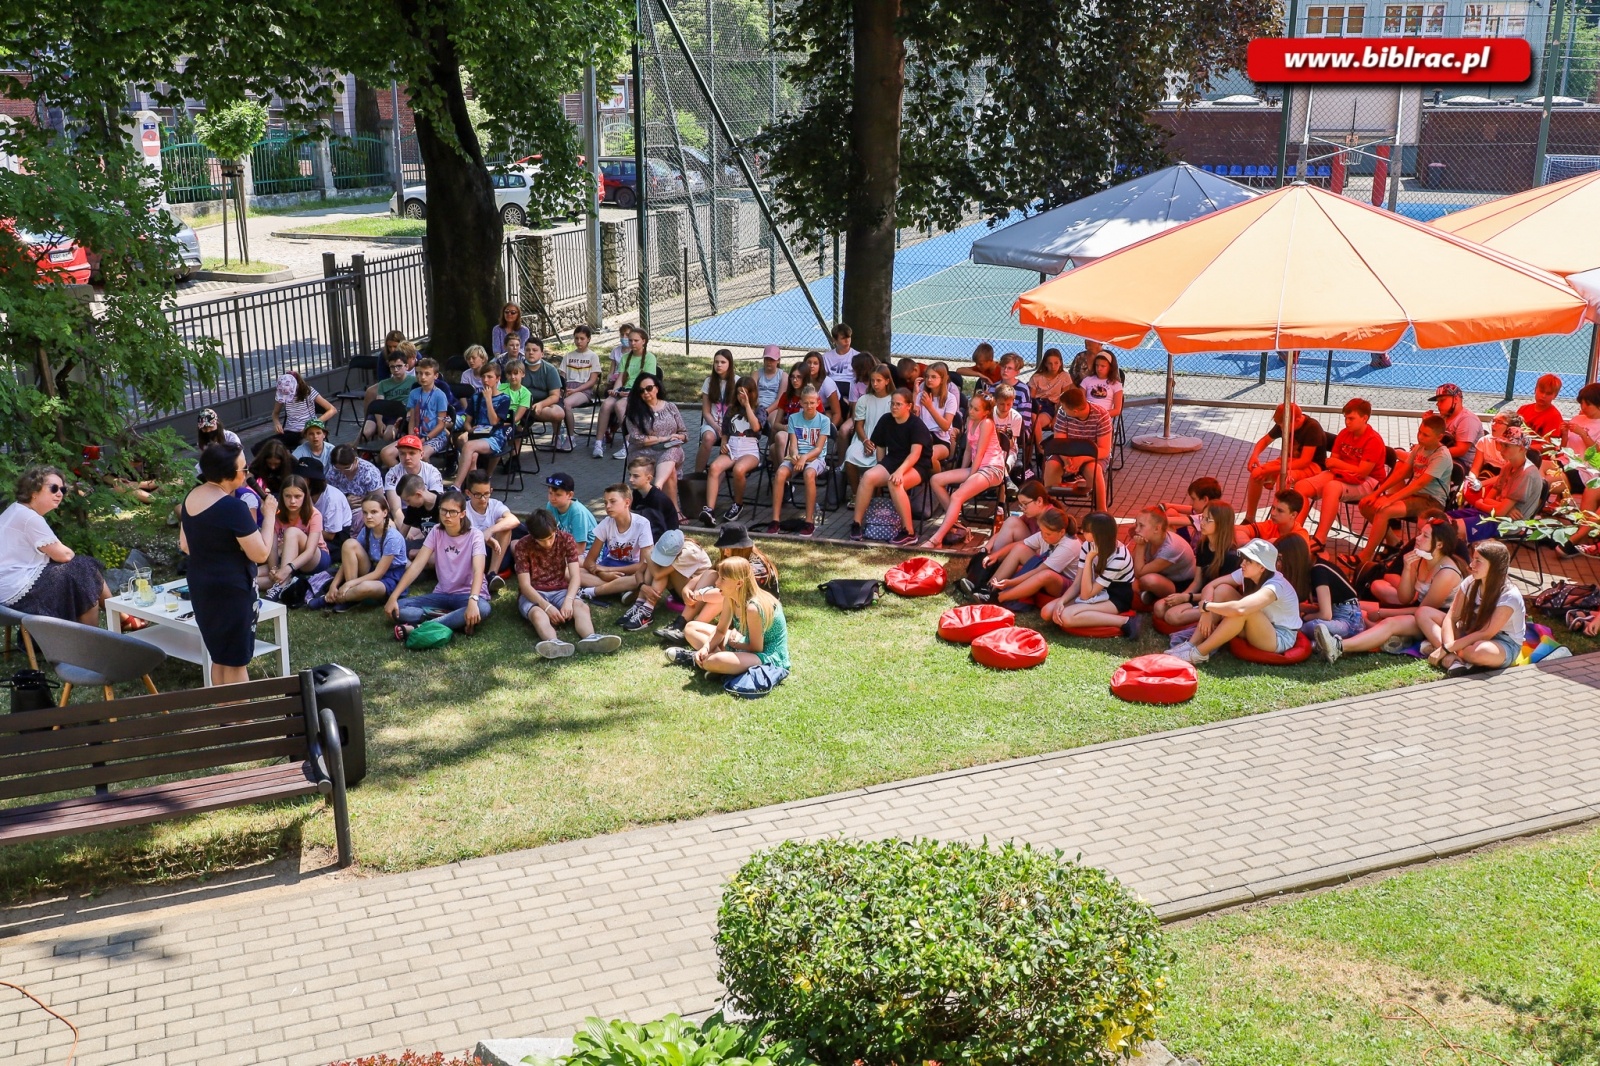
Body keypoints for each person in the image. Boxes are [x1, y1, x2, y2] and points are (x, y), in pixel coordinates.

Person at [179, 445, 275, 685]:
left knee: (219, 656)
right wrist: (270, 514)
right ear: (228, 474)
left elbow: (185, 544)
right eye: (244, 468)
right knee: (236, 660)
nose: (247, 473)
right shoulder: (234, 508)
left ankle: (225, 718)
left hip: (202, 586)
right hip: (232, 590)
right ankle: (242, 720)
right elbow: (261, 553)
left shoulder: (191, 496)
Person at [1314, 516, 1464, 661]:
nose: (1417, 538)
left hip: (1437, 620)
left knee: (1388, 623)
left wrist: (1382, 612)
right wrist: (1407, 568)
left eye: (1425, 536)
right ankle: (1396, 639)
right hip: (1418, 611)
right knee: (1356, 606)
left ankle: (1338, 646)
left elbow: (1423, 611)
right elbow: (1404, 598)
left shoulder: (1446, 573)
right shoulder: (1421, 559)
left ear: (1439, 545)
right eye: (1420, 533)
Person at [0, 466, 112, 625]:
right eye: (53, 488)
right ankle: (98, 635)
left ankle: (115, 620)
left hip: (9, 590)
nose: (59, 493)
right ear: (34, 491)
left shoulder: (17, 510)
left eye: (63, 490)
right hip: (16, 594)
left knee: (83, 575)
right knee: (84, 571)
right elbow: (64, 555)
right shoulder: (29, 518)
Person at [1167, 537, 1303, 664]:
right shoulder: (1248, 573)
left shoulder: (1275, 586)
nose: (1242, 564)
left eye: (1248, 561)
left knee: (1243, 611)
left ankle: (1199, 653)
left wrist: (1208, 606)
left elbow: (1241, 608)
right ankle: (1192, 643)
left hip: (1279, 636)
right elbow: (1211, 586)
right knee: (1223, 589)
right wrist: (1206, 613)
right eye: (1243, 559)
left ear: (1262, 567)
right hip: (1260, 624)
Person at [514, 508, 622, 657]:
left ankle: (591, 638)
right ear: (532, 536)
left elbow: (575, 576)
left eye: (551, 537)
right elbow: (525, 585)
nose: (548, 543)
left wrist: (569, 600)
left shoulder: (566, 539)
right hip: (534, 592)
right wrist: (546, 607)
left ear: (556, 529)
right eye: (542, 540)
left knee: (581, 607)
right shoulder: (522, 545)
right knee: (538, 615)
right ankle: (554, 643)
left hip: (560, 589)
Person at [386, 489, 490, 639]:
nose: (447, 516)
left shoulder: (475, 535)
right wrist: (393, 597)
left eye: (452, 512)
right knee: (399, 608)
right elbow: (417, 566)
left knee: (483, 608)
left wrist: (473, 601)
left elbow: (478, 571)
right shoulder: (436, 531)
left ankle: (420, 626)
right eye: (443, 511)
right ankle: (456, 620)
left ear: (462, 514)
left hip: (468, 595)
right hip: (442, 593)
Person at [665, 556, 789, 677]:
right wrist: (706, 648)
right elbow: (720, 630)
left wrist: (735, 644)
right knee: (691, 628)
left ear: (739, 583)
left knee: (714, 661)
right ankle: (715, 664)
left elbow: (757, 648)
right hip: (744, 642)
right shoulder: (730, 597)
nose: (717, 583)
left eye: (723, 579)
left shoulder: (753, 608)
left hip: (766, 655)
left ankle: (702, 661)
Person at [1356, 413, 1453, 567]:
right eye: (1420, 432)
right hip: (1414, 495)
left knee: (1384, 510)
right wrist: (1376, 494)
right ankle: (1393, 543)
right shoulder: (1420, 447)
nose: (1420, 437)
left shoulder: (1442, 456)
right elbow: (1402, 472)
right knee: (1366, 505)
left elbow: (1419, 484)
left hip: (1431, 501)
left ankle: (1364, 557)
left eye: (1426, 435)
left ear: (1439, 437)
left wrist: (1390, 499)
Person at [1418, 540, 1523, 674]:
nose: (1471, 565)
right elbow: (1452, 617)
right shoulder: (1471, 582)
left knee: (1479, 652)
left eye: (1478, 561)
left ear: (1495, 566)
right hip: (1471, 631)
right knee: (1423, 613)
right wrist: (1448, 647)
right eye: (1473, 559)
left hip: (1502, 642)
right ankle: (1453, 659)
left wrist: (1447, 647)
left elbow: (1486, 633)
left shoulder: (1510, 595)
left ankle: (1439, 649)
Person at [1294, 398, 1385, 548]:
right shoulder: (1344, 433)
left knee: (1332, 487)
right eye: (1345, 418)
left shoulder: (1373, 440)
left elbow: (1362, 472)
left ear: (1364, 418)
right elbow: (1331, 462)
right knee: (1301, 486)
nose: (1347, 422)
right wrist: (1342, 466)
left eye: (1351, 418)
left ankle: (1320, 538)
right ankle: (1297, 532)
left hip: (1369, 481)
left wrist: (1339, 465)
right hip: (1341, 474)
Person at [923, 392, 1005, 548]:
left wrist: (969, 478)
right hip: (978, 467)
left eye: (975, 409)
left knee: (957, 495)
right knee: (936, 480)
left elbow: (980, 453)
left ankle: (936, 539)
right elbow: (968, 451)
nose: (971, 411)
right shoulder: (970, 420)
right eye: (970, 407)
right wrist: (961, 473)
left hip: (992, 468)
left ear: (986, 412)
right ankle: (956, 524)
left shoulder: (986, 423)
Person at [851, 388, 931, 546]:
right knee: (868, 477)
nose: (894, 407)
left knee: (895, 483)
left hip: (917, 464)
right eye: (892, 404)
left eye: (898, 404)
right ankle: (857, 524)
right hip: (892, 460)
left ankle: (909, 532)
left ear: (909, 406)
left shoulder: (916, 425)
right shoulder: (886, 420)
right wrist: (881, 466)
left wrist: (900, 472)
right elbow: (880, 446)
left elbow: (915, 454)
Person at [1042, 511, 1139, 637]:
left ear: (1098, 534)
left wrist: (1089, 560)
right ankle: (1081, 612)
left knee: (1066, 616)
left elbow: (1085, 595)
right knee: (1046, 612)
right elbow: (1077, 583)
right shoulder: (1088, 545)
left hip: (1115, 597)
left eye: (1086, 530)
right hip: (1096, 589)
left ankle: (1125, 622)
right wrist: (1062, 601)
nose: (1082, 532)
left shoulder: (1119, 557)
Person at [954, 480, 1057, 595]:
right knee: (1012, 521)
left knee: (1017, 546)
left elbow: (1025, 543)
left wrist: (995, 555)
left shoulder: (1051, 517)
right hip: (1031, 550)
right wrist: (987, 546)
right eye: (1020, 505)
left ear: (1039, 501)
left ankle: (982, 580)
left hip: (1044, 560)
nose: (1022, 508)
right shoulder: (1033, 513)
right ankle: (979, 578)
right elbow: (1006, 530)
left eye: (1025, 504)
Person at [1153, 503, 1239, 632]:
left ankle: (1216, 618)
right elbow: (1197, 581)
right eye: (1201, 518)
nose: (1202, 523)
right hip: (1198, 596)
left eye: (1207, 520)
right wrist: (1181, 596)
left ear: (1221, 523)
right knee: (1159, 608)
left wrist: (1187, 598)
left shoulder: (1231, 556)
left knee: (1172, 616)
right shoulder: (1203, 546)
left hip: (1215, 601)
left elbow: (1221, 594)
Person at [1451, 427, 1544, 542]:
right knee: (1443, 519)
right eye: (1501, 444)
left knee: (1452, 528)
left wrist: (1480, 504)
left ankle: (1459, 557)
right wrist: (1503, 507)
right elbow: (1489, 499)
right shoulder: (1508, 466)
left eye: (1506, 446)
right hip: (1493, 513)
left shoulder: (1526, 474)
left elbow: (1497, 511)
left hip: (1507, 524)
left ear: (1520, 448)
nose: (1500, 449)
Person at [975, 508, 1080, 608]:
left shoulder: (1069, 545)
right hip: (1049, 570)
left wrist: (1011, 582)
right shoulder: (1046, 534)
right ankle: (988, 589)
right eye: (1042, 532)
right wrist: (996, 555)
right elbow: (1021, 543)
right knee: (1020, 548)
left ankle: (999, 597)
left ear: (1062, 532)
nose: (1043, 536)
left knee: (1046, 575)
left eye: (1047, 534)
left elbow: (1040, 571)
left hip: (1069, 585)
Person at [1241, 403, 1325, 524]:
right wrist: (1255, 455)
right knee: (1256, 474)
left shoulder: (1312, 427)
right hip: (1288, 461)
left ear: (1297, 420)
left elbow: (1304, 461)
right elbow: (1265, 440)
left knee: (1284, 477)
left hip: (1313, 466)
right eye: (1279, 426)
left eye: (1283, 426)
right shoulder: (1284, 423)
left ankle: (1277, 521)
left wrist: (1271, 470)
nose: (1281, 429)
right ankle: (1249, 518)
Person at [620, 527, 714, 632]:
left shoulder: (690, 552)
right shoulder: (662, 545)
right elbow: (639, 572)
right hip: (680, 588)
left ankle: (647, 612)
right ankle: (639, 604)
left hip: (694, 595)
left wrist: (647, 554)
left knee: (659, 568)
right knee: (656, 565)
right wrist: (642, 586)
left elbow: (658, 575)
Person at [324, 492, 407, 612]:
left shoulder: (392, 537)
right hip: (371, 570)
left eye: (374, 512)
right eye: (365, 512)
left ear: (384, 513)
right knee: (349, 544)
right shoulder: (366, 531)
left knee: (365, 587)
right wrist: (334, 585)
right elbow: (347, 559)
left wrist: (350, 584)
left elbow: (379, 574)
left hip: (390, 578)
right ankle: (347, 596)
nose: (368, 516)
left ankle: (328, 599)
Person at [768, 385, 830, 537]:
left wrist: (804, 458)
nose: (809, 406)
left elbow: (818, 448)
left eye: (812, 402)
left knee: (809, 473)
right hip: (798, 456)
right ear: (800, 403)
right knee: (781, 472)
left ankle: (809, 521)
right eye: (806, 403)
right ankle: (775, 520)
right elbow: (793, 445)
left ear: (818, 403)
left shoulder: (824, 421)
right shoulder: (794, 419)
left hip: (816, 457)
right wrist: (795, 455)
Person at [703, 375, 766, 525]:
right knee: (714, 467)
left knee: (739, 469)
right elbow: (725, 432)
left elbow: (756, 427)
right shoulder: (731, 410)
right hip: (732, 447)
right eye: (738, 392)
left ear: (752, 393)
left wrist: (747, 406)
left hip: (749, 449)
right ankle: (709, 510)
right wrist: (724, 443)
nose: (740, 396)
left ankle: (738, 504)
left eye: (744, 393)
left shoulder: (760, 410)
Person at [625, 373, 688, 515]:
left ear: (657, 388)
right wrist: (664, 438)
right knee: (670, 469)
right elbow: (637, 439)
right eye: (641, 391)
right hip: (643, 453)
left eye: (649, 388)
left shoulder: (671, 407)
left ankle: (656, 487)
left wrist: (678, 436)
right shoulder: (634, 411)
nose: (646, 393)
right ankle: (674, 511)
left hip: (670, 451)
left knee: (673, 450)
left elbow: (685, 434)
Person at [1041, 386, 1112, 511]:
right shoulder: (1063, 413)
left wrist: (1082, 459)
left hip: (1092, 455)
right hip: (1066, 452)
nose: (1061, 409)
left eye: (1063, 407)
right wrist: (1067, 460)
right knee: (1051, 465)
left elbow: (1104, 450)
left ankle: (1101, 512)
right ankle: (1051, 510)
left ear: (1075, 411)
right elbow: (1059, 443)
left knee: (1093, 469)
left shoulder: (1101, 415)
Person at [594, 327, 659, 459]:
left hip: (640, 392)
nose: (632, 343)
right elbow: (620, 379)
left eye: (636, 340)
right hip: (625, 391)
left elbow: (648, 382)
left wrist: (631, 394)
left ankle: (629, 443)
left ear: (644, 341)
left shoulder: (650, 358)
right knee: (606, 404)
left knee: (620, 405)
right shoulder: (625, 357)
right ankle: (598, 443)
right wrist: (616, 390)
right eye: (630, 341)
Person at [580, 483, 654, 598]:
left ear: (627, 502)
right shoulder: (606, 523)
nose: (607, 506)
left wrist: (608, 570)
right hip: (610, 563)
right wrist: (602, 573)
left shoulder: (642, 524)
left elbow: (642, 565)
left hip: (632, 569)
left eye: (612, 501)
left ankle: (607, 589)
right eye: (605, 503)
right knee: (570, 572)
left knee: (645, 576)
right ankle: (620, 589)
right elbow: (588, 562)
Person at [260, 475, 327, 596]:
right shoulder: (277, 514)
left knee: (291, 531)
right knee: (255, 573)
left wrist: (286, 569)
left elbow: (310, 551)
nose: (292, 501)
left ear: (305, 496)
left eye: (297, 496)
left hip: (314, 559)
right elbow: (272, 548)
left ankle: (281, 583)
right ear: (282, 496)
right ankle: (282, 583)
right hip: (288, 559)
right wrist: (274, 569)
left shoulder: (314, 514)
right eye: (288, 496)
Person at [452, 361, 515, 487]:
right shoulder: (476, 397)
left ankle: (456, 486)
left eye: (490, 377)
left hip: (495, 437)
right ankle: (476, 487)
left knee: (469, 447)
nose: (485, 380)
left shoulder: (504, 399)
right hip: (477, 435)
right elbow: (467, 422)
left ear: (497, 379)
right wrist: (470, 430)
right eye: (483, 377)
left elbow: (494, 422)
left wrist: (488, 399)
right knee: (473, 455)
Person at [380, 357, 451, 466]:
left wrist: (424, 439)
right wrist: (412, 436)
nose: (422, 377)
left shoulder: (440, 395)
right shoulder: (414, 393)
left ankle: (426, 480)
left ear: (435, 376)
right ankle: (406, 478)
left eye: (427, 374)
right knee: (386, 453)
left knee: (421, 455)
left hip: (436, 437)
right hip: (417, 435)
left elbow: (441, 425)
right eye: (419, 373)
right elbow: (412, 417)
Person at [843, 363, 896, 494]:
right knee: (850, 456)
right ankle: (856, 495)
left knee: (880, 461)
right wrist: (866, 441)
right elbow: (859, 425)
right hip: (863, 438)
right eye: (872, 380)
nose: (875, 384)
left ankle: (876, 496)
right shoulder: (864, 399)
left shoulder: (893, 400)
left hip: (885, 442)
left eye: (879, 380)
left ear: (887, 381)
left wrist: (878, 444)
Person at [1128, 506, 1196, 607]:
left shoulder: (1170, 548)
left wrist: (1140, 546)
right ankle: (1147, 593)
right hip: (1163, 576)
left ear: (1157, 529)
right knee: (1128, 579)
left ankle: (1154, 596)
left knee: (1147, 580)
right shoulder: (1149, 536)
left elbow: (1139, 573)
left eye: (1141, 526)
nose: (1136, 529)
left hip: (1181, 584)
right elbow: (1132, 561)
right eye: (1136, 524)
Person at [462, 469, 520, 580]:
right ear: (468, 493)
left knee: (503, 524)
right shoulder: (463, 509)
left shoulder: (495, 504)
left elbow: (514, 520)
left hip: (497, 554)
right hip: (472, 557)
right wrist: (484, 538)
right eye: (478, 495)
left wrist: (490, 531)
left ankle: (492, 574)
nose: (483, 499)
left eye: (486, 494)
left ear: (491, 491)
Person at [1302, 546, 1365, 639]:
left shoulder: (1318, 571)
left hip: (1348, 622)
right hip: (1340, 615)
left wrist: (1304, 618)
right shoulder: (1317, 566)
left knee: (1308, 627)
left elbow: (1325, 615)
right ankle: (1319, 644)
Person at [556, 325, 601, 452]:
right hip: (567, 387)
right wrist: (562, 389)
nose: (579, 341)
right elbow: (562, 376)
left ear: (589, 339)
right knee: (554, 402)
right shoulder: (568, 355)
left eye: (582, 338)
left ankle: (571, 438)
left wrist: (576, 390)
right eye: (576, 338)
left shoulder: (593, 356)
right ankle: (558, 435)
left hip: (583, 390)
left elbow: (592, 381)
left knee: (566, 403)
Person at [360, 349, 415, 447]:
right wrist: (380, 422)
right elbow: (379, 404)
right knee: (365, 433)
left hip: (397, 415)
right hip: (381, 414)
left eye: (399, 366)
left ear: (406, 366)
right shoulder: (383, 384)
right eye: (392, 367)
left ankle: (380, 458)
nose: (396, 370)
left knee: (388, 436)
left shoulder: (414, 382)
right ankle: (358, 453)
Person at [269, 371, 336, 452]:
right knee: (263, 447)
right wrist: (276, 423)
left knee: (304, 446)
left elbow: (332, 410)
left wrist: (314, 423)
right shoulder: (283, 393)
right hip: (290, 432)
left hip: (306, 431)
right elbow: (275, 414)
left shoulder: (308, 391)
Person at [696, 349, 739, 474]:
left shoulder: (737, 381)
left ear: (730, 364)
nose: (719, 365)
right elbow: (706, 411)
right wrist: (716, 427)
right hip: (712, 423)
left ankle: (719, 472)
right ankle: (697, 475)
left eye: (723, 362)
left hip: (732, 425)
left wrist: (725, 429)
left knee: (730, 441)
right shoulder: (709, 382)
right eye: (716, 362)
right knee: (708, 438)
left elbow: (738, 412)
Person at [913, 362, 959, 470]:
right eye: (927, 376)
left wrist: (929, 407)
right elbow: (914, 418)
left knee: (930, 456)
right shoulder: (921, 395)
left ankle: (936, 481)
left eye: (933, 377)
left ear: (943, 379)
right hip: (922, 436)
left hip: (941, 439)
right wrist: (915, 394)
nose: (929, 380)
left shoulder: (950, 398)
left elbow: (946, 426)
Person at [520, 341, 567, 443]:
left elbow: (555, 396)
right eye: (527, 350)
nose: (531, 353)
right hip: (523, 403)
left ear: (542, 354)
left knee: (558, 413)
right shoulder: (519, 368)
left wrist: (541, 405)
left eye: (535, 350)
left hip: (547, 403)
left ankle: (558, 435)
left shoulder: (550, 369)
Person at [765, 363, 808, 469]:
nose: (794, 380)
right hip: (787, 434)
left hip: (804, 437)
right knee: (773, 448)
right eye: (792, 377)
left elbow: (817, 424)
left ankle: (784, 477)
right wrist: (785, 427)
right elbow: (776, 424)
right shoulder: (786, 397)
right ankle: (786, 480)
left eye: (798, 377)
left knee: (778, 441)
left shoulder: (810, 397)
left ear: (805, 378)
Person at [389, 473, 442, 556]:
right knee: (399, 550)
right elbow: (402, 534)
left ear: (418, 495)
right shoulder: (413, 507)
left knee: (415, 554)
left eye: (408, 500)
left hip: (444, 547)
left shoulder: (443, 504)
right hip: (427, 545)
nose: (407, 504)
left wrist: (418, 553)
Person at [1432, 383, 1484, 467]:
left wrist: (1431, 453)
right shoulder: (1444, 417)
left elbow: (1460, 450)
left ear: (1455, 399)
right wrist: (1427, 423)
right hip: (1445, 458)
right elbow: (1430, 439)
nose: (1437, 404)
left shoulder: (1467, 420)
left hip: (1462, 465)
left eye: (1442, 400)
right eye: (1437, 401)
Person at [628, 454, 679, 537]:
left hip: (666, 537)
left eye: (635, 476)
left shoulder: (658, 499)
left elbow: (659, 529)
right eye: (630, 475)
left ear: (648, 478)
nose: (631, 479)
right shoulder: (637, 492)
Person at [1237, 488, 1309, 546]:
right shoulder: (1271, 525)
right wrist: (1249, 544)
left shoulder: (1300, 537)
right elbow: (1237, 529)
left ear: (1293, 515)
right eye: (1273, 508)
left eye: (1280, 511)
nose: (1273, 513)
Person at [1516, 373, 1565, 459]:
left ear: (1555, 396)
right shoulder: (1523, 409)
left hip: (1537, 459)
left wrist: (1523, 449)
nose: (1543, 396)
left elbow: (1549, 445)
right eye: (1541, 391)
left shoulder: (1554, 416)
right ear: (1535, 390)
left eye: (1548, 393)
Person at [1164, 477, 1225, 544]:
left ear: (1205, 499)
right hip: (1192, 545)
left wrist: (1152, 519)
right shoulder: (1211, 509)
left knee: (1166, 527)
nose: (1191, 503)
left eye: (1193, 499)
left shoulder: (1207, 518)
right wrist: (1168, 505)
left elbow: (1167, 520)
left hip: (1194, 553)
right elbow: (1190, 509)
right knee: (1171, 512)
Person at [543, 472, 596, 549]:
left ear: (570, 495)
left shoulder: (577, 512)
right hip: (564, 546)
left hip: (589, 551)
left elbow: (580, 548)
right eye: (550, 493)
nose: (552, 498)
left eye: (558, 495)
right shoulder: (550, 505)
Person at [1027, 348, 1070, 435]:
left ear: (1061, 363)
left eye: (1056, 363)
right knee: (1030, 420)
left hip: (1051, 407)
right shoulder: (1037, 377)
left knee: (1036, 422)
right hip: (1036, 405)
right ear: (1045, 364)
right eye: (1050, 363)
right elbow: (1031, 398)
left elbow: (1063, 400)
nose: (1053, 366)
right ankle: (1031, 445)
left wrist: (1056, 418)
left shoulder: (1065, 377)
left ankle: (1039, 447)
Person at [327, 444, 383, 511]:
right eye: (338, 468)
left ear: (355, 461)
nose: (342, 472)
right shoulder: (334, 471)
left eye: (347, 468)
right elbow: (329, 495)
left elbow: (378, 500)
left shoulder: (369, 473)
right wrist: (344, 502)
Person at [1079, 351, 1123, 418]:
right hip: (1087, 416)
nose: (1099, 369)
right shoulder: (1087, 380)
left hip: (1104, 418)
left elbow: (1117, 410)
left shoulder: (1116, 385)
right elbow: (1080, 402)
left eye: (1103, 366)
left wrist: (1100, 416)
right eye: (1097, 365)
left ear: (1110, 367)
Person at [823, 322, 859, 394]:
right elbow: (823, 376)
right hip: (832, 386)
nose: (847, 341)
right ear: (834, 340)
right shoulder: (826, 357)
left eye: (848, 337)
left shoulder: (857, 356)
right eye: (843, 338)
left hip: (850, 385)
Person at [755, 345, 785, 412]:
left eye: (772, 359)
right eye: (766, 359)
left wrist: (766, 412)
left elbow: (780, 399)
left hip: (773, 409)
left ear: (778, 360)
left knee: (773, 419)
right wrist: (758, 408)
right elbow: (753, 394)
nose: (769, 362)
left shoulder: (783, 376)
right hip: (757, 406)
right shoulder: (756, 374)